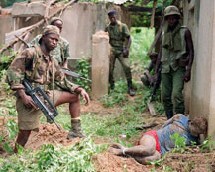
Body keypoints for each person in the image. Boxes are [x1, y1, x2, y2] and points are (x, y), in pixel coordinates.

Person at [7, 25, 90, 152]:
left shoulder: (51, 61)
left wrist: (79, 89)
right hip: (30, 99)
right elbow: (13, 72)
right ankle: (16, 155)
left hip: (45, 95)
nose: (54, 42)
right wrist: (23, 96)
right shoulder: (30, 53)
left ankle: (76, 131)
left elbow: (61, 80)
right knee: (25, 133)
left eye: (57, 40)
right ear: (44, 37)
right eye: (52, 39)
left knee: (74, 97)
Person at [108, 114, 207, 165]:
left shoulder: (193, 142)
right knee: (149, 149)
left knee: (152, 159)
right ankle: (122, 151)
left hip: (160, 152)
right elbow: (165, 124)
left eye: (199, 133)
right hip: (154, 137)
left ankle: (129, 154)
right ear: (192, 123)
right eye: (196, 131)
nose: (196, 134)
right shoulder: (180, 118)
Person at [159, 5, 194, 119]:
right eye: (169, 18)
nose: (171, 20)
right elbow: (161, 51)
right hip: (165, 68)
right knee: (164, 96)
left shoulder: (185, 31)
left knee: (176, 95)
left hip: (178, 68)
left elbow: (191, 51)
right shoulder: (164, 33)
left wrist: (188, 70)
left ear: (178, 18)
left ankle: (180, 120)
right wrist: (156, 71)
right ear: (166, 19)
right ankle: (169, 120)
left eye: (173, 18)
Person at [105, 10, 135, 96]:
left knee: (127, 66)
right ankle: (112, 86)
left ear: (116, 17)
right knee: (109, 69)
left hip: (122, 49)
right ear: (109, 18)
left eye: (114, 17)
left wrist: (127, 49)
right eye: (111, 18)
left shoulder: (122, 26)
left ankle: (130, 87)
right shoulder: (108, 28)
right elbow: (105, 38)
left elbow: (129, 38)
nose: (112, 19)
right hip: (112, 50)